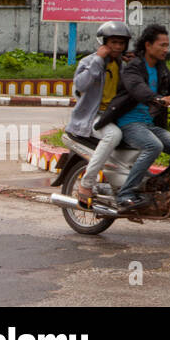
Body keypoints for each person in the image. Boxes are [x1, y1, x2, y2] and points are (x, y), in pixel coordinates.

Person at [96, 23, 170, 208]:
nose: (166, 49)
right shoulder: (134, 66)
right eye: (162, 45)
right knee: (153, 146)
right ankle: (125, 193)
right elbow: (137, 88)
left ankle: (167, 190)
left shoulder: (160, 67)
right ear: (148, 45)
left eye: (167, 45)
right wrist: (158, 98)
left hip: (149, 123)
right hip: (129, 123)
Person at [64, 21, 132, 207]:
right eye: (113, 43)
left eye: (121, 43)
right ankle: (87, 183)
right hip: (92, 117)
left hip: (113, 116)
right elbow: (81, 85)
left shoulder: (123, 65)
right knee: (113, 134)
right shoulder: (89, 61)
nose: (117, 47)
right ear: (104, 42)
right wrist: (98, 60)